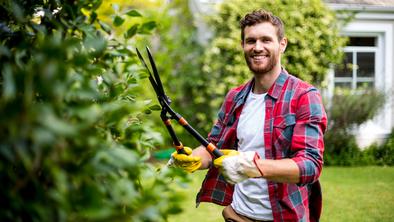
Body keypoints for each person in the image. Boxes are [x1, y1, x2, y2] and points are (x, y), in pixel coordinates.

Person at [169, 9, 327, 222]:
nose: (257, 47)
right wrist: (192, 158)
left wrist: (252, 166)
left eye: (266, 40)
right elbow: (213, 145)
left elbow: (310, 165)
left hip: (282, 217)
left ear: (282, 44)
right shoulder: (235, 97)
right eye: (250, 41)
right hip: (237, 216)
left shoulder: (304, 96)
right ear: (243, 45)